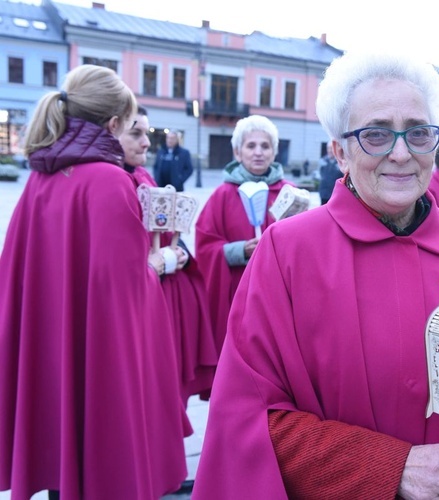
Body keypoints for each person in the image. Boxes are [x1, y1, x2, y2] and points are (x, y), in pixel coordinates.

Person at [192, 51, 439, 500]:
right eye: (376, 135)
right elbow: (250, 420)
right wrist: (389, 468)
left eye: (418, 133)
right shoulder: (286, 253)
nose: (401, 153)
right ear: (340, 151)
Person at [0, 65, 187, 499]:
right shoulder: (107, 181)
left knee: (60, 455)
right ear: (114, 124)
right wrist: (159, 262)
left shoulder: (40, 177)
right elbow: (124, 294)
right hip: (100, 358)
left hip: (49, 348)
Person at [121, 105, 217, 406]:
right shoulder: (113, 183)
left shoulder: (142, 176)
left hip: (164, 301)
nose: (147, 142)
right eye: (136, 133)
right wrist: (157, 262)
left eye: (146, 134)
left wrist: (179, 255)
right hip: (141, 306)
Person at [195, 114, 295, 358]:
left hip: (279, 293)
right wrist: (240, 251)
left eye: (265, 145)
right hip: (237, 292)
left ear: (274, 152)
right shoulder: (223, 195)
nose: (258, 152)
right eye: (251, 146)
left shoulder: (289, 193)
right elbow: (205, 246)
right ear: (238, 153)